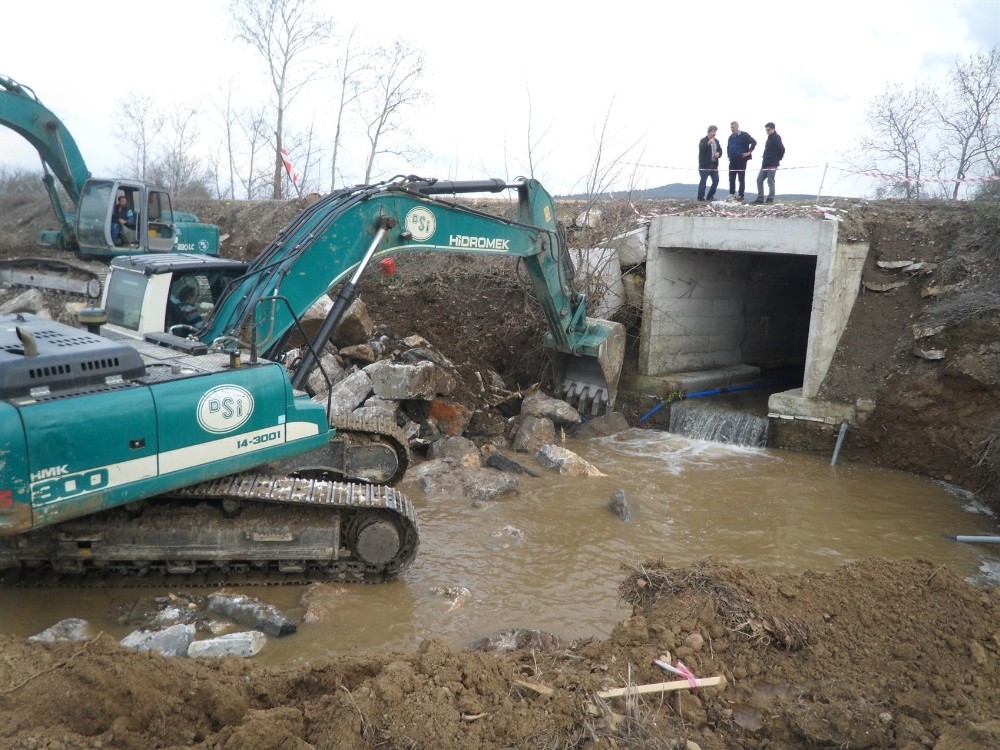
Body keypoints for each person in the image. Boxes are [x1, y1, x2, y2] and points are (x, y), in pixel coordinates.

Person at [754, 122, 785, 204]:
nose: (767, 132)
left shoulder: (776, 137)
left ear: (773, 129)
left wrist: (777, 159)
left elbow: (782, 149)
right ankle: (760, 198)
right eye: (766, 130)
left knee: (770, 181)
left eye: (769, 130)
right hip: (765, 163)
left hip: (772, 163)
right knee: (759, 180)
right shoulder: (769, 138)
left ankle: (770, 198)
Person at [726, 121, 757, 202]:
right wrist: (729, 156)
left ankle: (740, 195)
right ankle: (732, 194)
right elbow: (728, 147)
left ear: (737, 127)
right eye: (731, 128)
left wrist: (749, 152)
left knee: (741, 178)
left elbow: (754, 142)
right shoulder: (731, 137)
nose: (732, 129)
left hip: (741, 160)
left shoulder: (744, 135)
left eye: (733, 127)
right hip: (732, 160)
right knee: (731, 178)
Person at [697, 125, 723, 201]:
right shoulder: (703, 140)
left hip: (714, 165)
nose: (714, 133)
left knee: (716, 180)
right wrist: (708, 143)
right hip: (704, 165)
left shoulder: (716, 141)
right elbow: (701, 148)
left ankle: (710, 196)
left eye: (715, 132)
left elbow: (720, 150)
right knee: (703, 181)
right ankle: (700, 197)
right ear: (708, 132)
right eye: (713, 132)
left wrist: (718, 154)